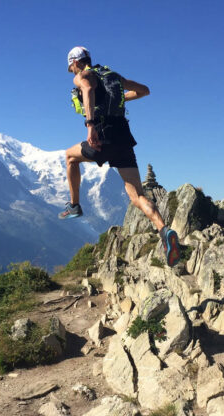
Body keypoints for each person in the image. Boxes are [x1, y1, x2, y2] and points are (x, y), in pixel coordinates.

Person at [59, 46, 181, 267]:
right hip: (124, 140)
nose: (72, 72)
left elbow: (86, 89)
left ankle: (74, 205)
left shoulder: (83, 76)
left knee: (69, 157)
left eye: (71, 68)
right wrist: (117, 100)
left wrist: (90, 125)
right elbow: (144, 90)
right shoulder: (112, 76)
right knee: (137, 196)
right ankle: (164, 231)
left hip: (102, 137)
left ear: (76, 62)